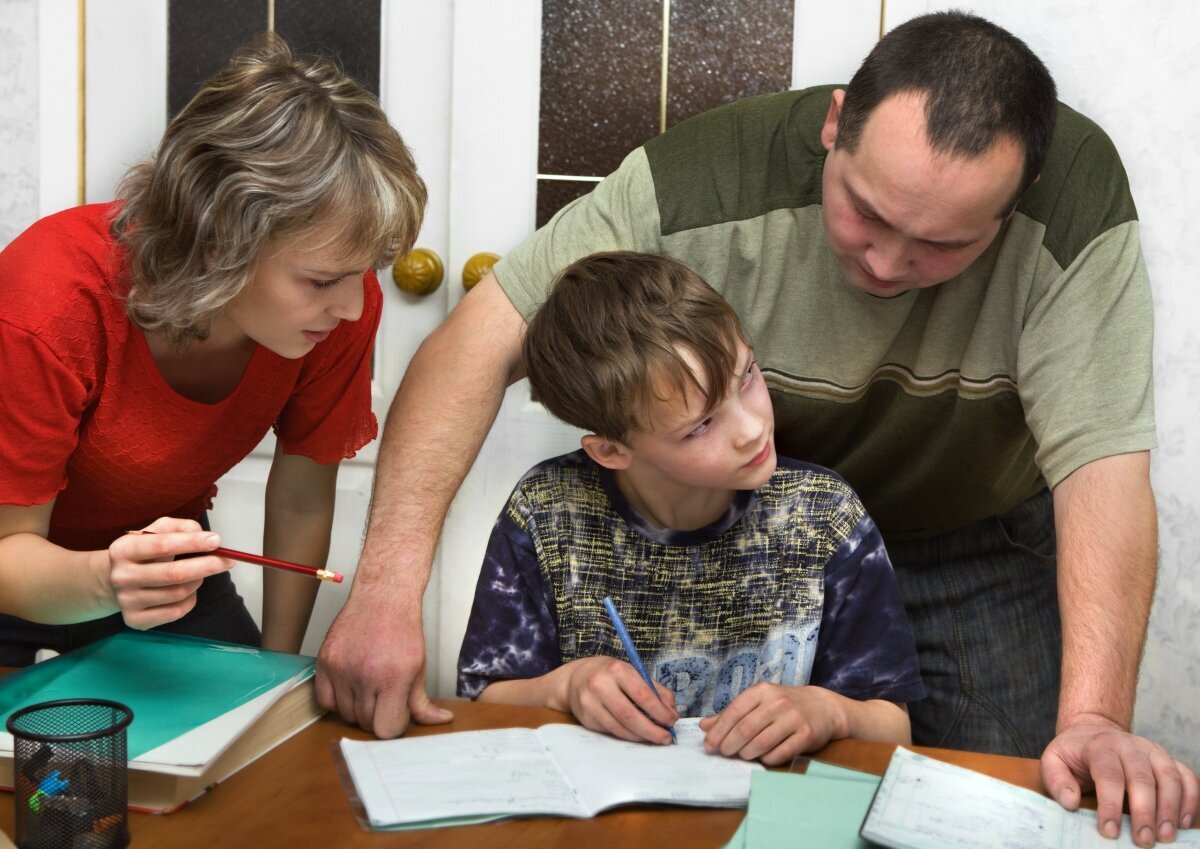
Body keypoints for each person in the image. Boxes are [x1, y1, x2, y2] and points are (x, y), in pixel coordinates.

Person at [317, 10, 1197, 846]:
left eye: (944, 245)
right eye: (869, 214)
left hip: (973, 541)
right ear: (836, 124)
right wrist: (387, 595)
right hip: (752, 530)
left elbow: (1102, 468)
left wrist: (1094, 720)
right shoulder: (699, 179)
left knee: (1010, 805)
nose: (889, 265)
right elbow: (471, 348)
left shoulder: (1077, 198)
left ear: (1019, 198)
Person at [0, 34, 426, 663]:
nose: (355, 308)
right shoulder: (48, 301)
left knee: (247, 749)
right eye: (319, 280)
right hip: (21, 566)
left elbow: (301, 496)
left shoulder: (335, 306)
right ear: (218, 240)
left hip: (157, 565)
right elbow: (10, 551)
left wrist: (273, 674)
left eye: (361, 275)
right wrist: (108, 583)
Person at [455, 252, 924, 763]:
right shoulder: (547, 513)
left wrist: (828, 711)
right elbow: (486, 701)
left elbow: (893, 728)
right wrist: (565, 687)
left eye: (747, 377)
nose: (751, 430)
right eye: (700, 426)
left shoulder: (823, 513)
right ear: (611, 451)